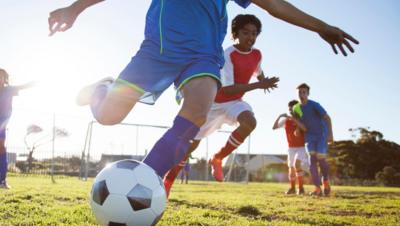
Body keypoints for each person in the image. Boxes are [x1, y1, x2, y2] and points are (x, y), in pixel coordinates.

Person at [48, 0, 358, 186]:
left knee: (196, 111)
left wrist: (321, 26)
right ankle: (104, 89)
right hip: (156, 51)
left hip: (203, 55)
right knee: (108, 117)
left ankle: (145, 181)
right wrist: (75, 8)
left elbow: (274, 5)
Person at [163, 14, 278, 197]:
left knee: (250, 122)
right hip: (214, 103)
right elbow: (229, 89)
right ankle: (168, 180)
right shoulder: (228, 54)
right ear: (236, 34)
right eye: (246, 32)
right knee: (191, 146)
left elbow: (257, 71)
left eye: (254, 33)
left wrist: (264, 80)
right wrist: (259, 85)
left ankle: (218, 158)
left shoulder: (257, 54)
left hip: (234, 103)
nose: (250, 37)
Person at [294, 83, 333, 196]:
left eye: (304, 92)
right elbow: (299, 121)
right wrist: (297, 129)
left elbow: (327, 118)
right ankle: (317, 188)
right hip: (309, 136)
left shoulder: (315, 105)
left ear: (308, 93)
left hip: (321, 134)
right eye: (299, 92)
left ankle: (325, 180)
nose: (301, 94)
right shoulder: (296, 108)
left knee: (321, 158)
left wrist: (330, 134)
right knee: (312, 160)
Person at [272, 100, 308, 195]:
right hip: (291, 148)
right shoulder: (286, 121)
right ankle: (292, 188)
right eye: (289, 109)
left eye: (292, 108)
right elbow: (274, 127)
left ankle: (301, 188)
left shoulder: (302, 119)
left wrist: (296, 122)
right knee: (291, 167)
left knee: (297, 165)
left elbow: (305, 129)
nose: (290, 110)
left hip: (301, 147)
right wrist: (280, 117)